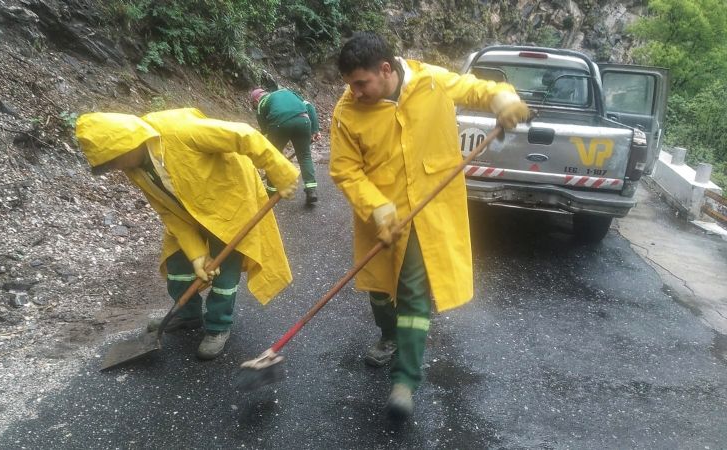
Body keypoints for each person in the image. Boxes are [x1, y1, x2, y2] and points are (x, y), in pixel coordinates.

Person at [329, 32, 530, 418]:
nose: (354, 92)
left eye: (361, 83)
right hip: (380, 215)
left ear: (385, 69)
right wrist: (377, 208)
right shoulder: (347, 111)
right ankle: (389, 335)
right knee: (379, 288)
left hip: (428, 212)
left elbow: (476, 88)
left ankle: (405, 380)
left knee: (413, 292)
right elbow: (344, 169)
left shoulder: (431, 82)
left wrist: (503, 100)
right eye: (351, 84)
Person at [75, 108, 300, 360]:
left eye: (113, 161)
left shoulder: (181, 132)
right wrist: (197, 255)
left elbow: (244, 135)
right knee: (177, 262)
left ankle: (218, 326)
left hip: (229, 200)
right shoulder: (135, 168)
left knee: (225, 269)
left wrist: (280, 172)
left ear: (127, 144)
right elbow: (167, 212)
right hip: (187, 212)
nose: (115, 168)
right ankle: (187, 314)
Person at [250, 87, 321, 205]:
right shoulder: (287, 92)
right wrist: (315, 130)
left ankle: (271, 190)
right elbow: (309, 106)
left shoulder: (262, 103)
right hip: (303, 120)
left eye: (253, 105)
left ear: (256, 100)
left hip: (280, 123)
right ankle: (311, 190)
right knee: (304, 156)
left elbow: (266, 134)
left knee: (272, 156)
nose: (254, 107)